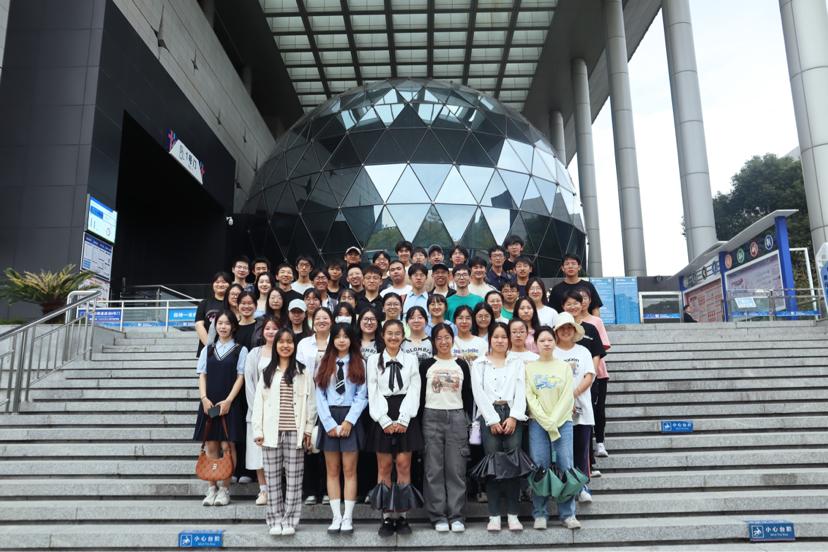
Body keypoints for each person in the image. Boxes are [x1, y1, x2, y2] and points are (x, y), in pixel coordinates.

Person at [251, 327, 316, 536]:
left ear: (294, 345)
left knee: (294, 480)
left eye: (289, 341)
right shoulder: (267, 372)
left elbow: (311, 403)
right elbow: (258, 403)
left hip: (295, 432)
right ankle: (274, 520)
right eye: (281, 341)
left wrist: (308, 430)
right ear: (276, 345)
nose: (285, 345)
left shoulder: (303, 371)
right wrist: (258, 430)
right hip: (270, 432)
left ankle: (290, 520)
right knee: (272, 480)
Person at [470, 322, 532, 532]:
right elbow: (478, 393)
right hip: (489, 415)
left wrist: (514, 417)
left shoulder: (516, 362)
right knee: (493, 466)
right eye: (496, 337)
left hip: (513, 414)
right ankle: (494, 515)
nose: (500, 340)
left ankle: (513, 515)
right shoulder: (479, 364)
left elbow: (521, 391)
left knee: (513, 464)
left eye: (503, 337)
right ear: (489, 339)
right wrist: (492, 419)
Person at [366, 319, 424, 537]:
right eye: (389, 333)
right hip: (382, 411)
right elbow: (372, 390)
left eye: (397, 333)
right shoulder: (373, 360)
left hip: (405, 411)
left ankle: (402, 516)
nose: (393, 337)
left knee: (403, 465)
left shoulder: (411, 359)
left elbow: (415, 389)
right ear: (383, 335)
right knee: (384, 466)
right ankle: (387, 517)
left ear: (403, 336)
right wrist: (384, 419)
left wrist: (404, 418)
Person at [418, 323, 473, 533]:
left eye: (447, 337)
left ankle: (457, 515)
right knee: (433, 469)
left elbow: (467, 396)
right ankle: (438, 516)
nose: (443, 341)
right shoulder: (426, 365)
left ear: (453, 339)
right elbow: (420, 396)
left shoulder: (461, 364)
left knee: (456, 469)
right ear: (433, 341)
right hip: (431, 417)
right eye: (439, 338)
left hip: (457, 417)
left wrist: (467, 421)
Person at [524, 326, 580, 530]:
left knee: (566, 465)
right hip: (538, 423)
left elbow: (567, 397)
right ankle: (540, 513)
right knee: (540, 466)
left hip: (562, 423)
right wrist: (545, 421)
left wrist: (553, 420)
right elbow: (530, 397)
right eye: (542, 340)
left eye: (549, 340)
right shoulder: (530, 368)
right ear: (536, 344)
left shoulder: (564, 367)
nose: (546, 343)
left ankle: (568, 514)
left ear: (555, 342)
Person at [315, 323, 369, 534]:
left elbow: (362, 395)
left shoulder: (360, 362)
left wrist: (349, 422)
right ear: (332, 339)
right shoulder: (324, 362)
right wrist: (328, 423)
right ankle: (336, 516)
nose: (341, 340)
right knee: (333, 470)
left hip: (350, 417)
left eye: (346, 336)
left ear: (351, 339)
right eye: (337, 336)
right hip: (329, 416)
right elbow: (319, 394)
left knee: (349, 470)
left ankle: (348, 517)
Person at [194, 310, 247, 507]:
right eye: (220, 323)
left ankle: (225, 489)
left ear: (233, 326)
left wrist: (229, 400)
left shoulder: (240, 350)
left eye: (227, 323)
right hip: (209, 403)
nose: (223, 327)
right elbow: (202, 375)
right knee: (211, 445)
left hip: (229, 403)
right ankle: (211, 488)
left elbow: (241, 377)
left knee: (227, 446)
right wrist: (204, 398)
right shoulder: (207, 349)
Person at [553, 312, 596, 504]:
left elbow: (589, 376)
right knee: (562, 452)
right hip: (558, 412)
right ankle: (565, 487)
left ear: (574, 330)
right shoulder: (552, 352)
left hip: (582, 409)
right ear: (556, 331)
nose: (565, 331)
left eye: (569, 327)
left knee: (581, 450)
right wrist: (564, 401)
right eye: (561, 328)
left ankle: (583, 486)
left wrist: (573, 394)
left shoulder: (583, 351)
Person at [296, 307, 333, 506]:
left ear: (331, 321)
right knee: (309, 443)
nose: (321, 321)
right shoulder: (304, 343)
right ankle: (310, 490)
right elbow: (298, 371)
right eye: (318, 318)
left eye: (325, 318)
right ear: (312, 321)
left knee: (328, 447)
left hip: (331, 398)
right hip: (308, 397)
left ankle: (327, 490)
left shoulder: (336, 342)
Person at [244, 316, 279, 507]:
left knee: (277, 453)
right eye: (268, 328)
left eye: (275, 328)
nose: (271, 332)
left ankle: (275, 490)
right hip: (257, 411)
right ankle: (263, 490)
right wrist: (256, 409)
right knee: (258, 454)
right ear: (262, 331)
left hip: (279, 411)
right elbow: (249, 383)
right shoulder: (254, 353)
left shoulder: (284, 351)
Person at [578, 290, 611, 463]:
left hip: (598, 372)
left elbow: (602, 346)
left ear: (590, 301)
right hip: (578, 374)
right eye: (578, 299)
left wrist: (591, 370)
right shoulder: (568, 323)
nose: (581, 302)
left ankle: (600, 442)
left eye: (584, 298)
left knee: (598, 408)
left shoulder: (595, 322)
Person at [195, 272, 231, 357]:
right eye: (217, 282)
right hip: (208, 350)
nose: (220, 285)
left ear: (230, 284)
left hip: (229, 349)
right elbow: (199, 325)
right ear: (213, 284)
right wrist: (209, 346)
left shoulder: (232, 304)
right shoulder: (204, 303)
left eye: (224, 282)